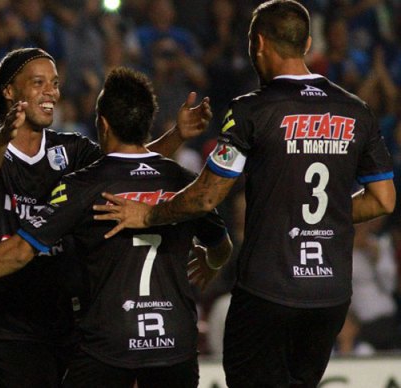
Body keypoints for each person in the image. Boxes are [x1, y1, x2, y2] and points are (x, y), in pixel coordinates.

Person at [93, 1, 396, 387]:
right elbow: (384, 199)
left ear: (258, 44)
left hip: (270, 293)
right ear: (305, 45)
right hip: (330, 295)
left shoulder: (252, 110)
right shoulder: (357, 111)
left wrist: (149, 215)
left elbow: (206, 197)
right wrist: (324, 216)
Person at [0, 66, 233, 387]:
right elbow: (220, 243)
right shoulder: (185, 185)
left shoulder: (85, 184)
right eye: (40, 82)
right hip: (174, 344)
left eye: (54, 82)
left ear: (103, 124)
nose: (51, 90)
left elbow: (22, 250)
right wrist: (212, 261)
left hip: (108, 345)